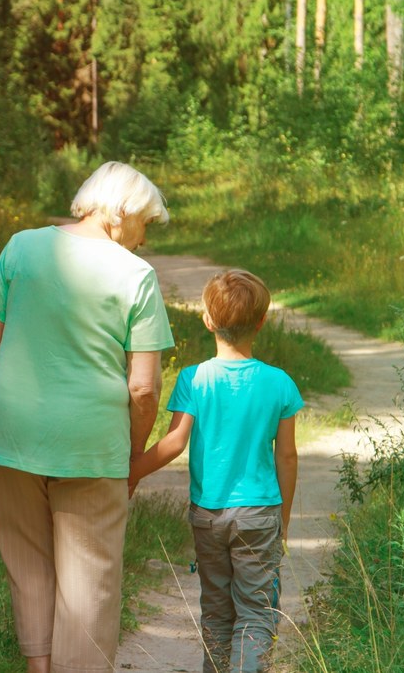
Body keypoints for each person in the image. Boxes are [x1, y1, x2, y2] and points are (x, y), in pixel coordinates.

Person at [0, 161, 175, 673]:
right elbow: (144, 386)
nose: (144, 239)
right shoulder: (136, 276)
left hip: (12, 435)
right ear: (120, 212)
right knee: (89, 583)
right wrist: (131, 453)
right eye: (145, 224)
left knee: (29, 569)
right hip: (91, 447)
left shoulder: (21, 247)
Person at [128, 269, 301, 673]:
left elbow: (173, 444)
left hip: (207, 516)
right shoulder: (279, 383)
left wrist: (130, 472)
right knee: (257, 614)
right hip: (259, 514)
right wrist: (284, 521)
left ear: (207, 321)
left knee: (217, 613)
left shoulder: (194, 378)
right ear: (261, 322)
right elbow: (287, 457)